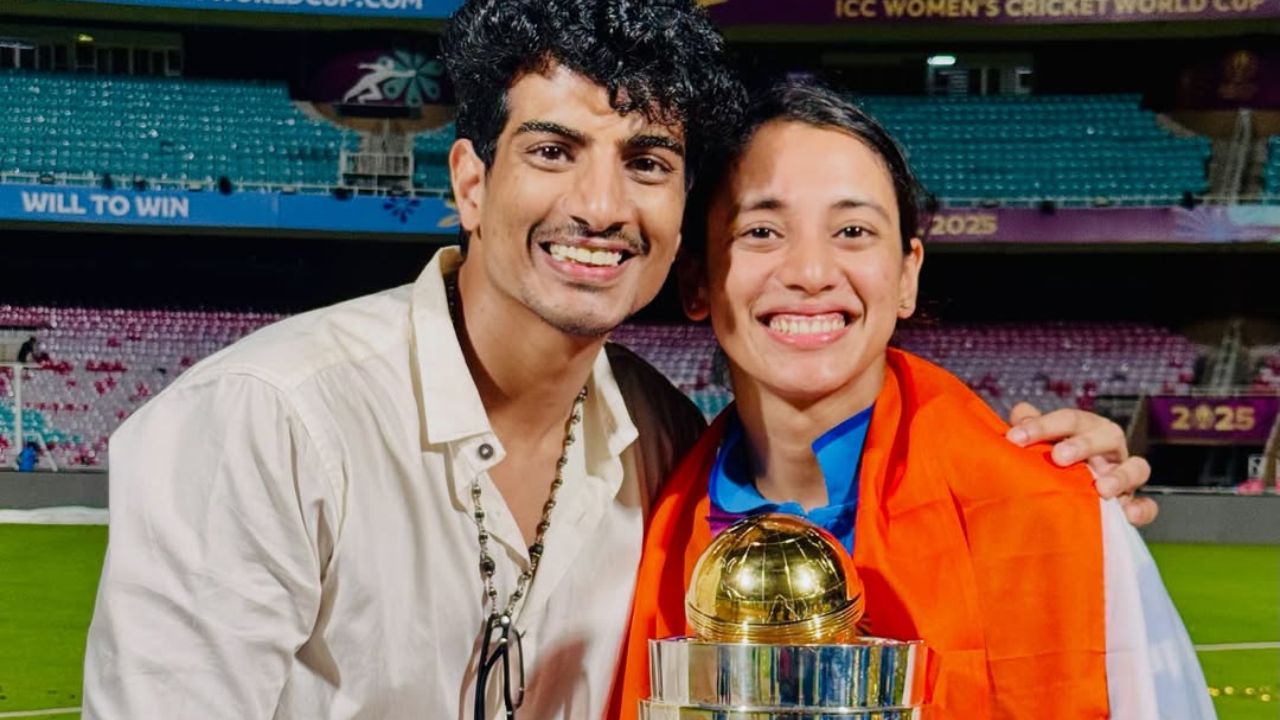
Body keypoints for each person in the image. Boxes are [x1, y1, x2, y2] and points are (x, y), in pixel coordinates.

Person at [84, 3, 1155, 718]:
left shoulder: (665, 452)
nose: (598, 206)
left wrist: (1049, 486)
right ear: (470, 180)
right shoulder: (263, 423)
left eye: (645, 162)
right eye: (551, 151)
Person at [609, 83, 1212, 720]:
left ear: (905, 276)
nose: (811, 272)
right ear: (698, 279)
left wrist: (1082, 507)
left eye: (852, 230)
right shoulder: (632, 519)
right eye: (761, 230)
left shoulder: (1056, 516)